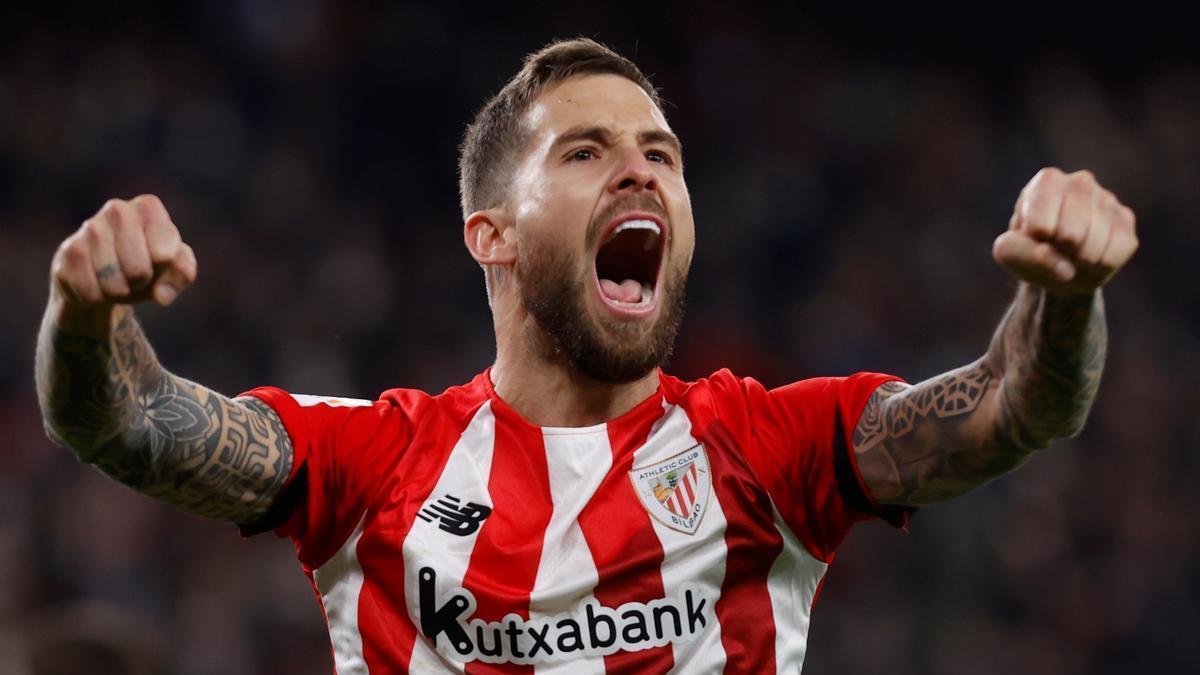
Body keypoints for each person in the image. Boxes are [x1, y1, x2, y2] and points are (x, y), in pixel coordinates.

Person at [34, 38, 1138, 673]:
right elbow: (122, 424)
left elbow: (1012, 408)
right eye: (586, 150)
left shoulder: (765, 448)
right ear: (492, 234)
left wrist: (1066, 298)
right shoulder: (379, 466)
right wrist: (84, 317)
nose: (642, 171)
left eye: (662, 152)